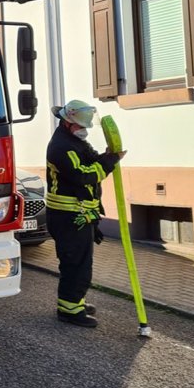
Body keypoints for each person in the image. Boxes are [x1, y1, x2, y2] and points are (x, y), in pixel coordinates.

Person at [45, 99, 125, 328]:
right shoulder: (61, 147)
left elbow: (90, 159)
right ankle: (70, 311)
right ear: (68, 123)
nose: (85, 131)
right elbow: (84, 175)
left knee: (80, 264)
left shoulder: (75, 142)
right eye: (81, 127)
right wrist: (111, 161)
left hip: (78, 216)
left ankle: (74, 302)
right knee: (75, 265)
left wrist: (106, 155)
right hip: (68, 217)